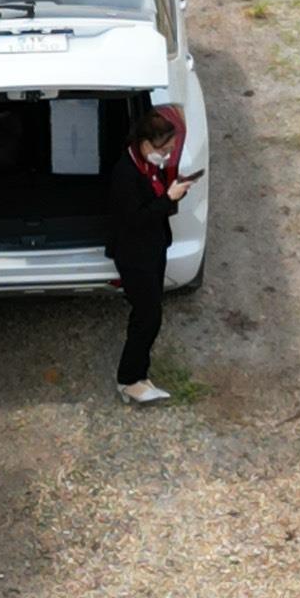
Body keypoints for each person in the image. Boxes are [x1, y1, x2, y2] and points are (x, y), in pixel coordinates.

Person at [104, 104, 192, 406]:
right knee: (148, 316)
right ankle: (129, 380)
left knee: (149, 315)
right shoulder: (125, 174)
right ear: (144, 144)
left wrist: (174, 191)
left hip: (152, 248)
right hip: (134, 255)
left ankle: (139, 375)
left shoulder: (147, 166)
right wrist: (169, 198)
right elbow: (136, 219)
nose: (166, 155)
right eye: (163, 149)